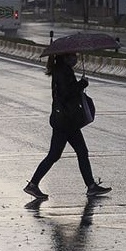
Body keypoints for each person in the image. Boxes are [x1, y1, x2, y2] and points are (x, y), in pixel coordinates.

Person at [24, 53, 112, 199]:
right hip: (65, 121)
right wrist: (82, 83)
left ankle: (91, 186)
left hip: (66, 120)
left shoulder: (62, 69)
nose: (76, 58)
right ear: (66, 57)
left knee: (77, 152)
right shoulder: (62, 71)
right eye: (73, 56)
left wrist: (79, 84)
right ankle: (33, 185)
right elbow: (66, 93)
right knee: (59, 154)